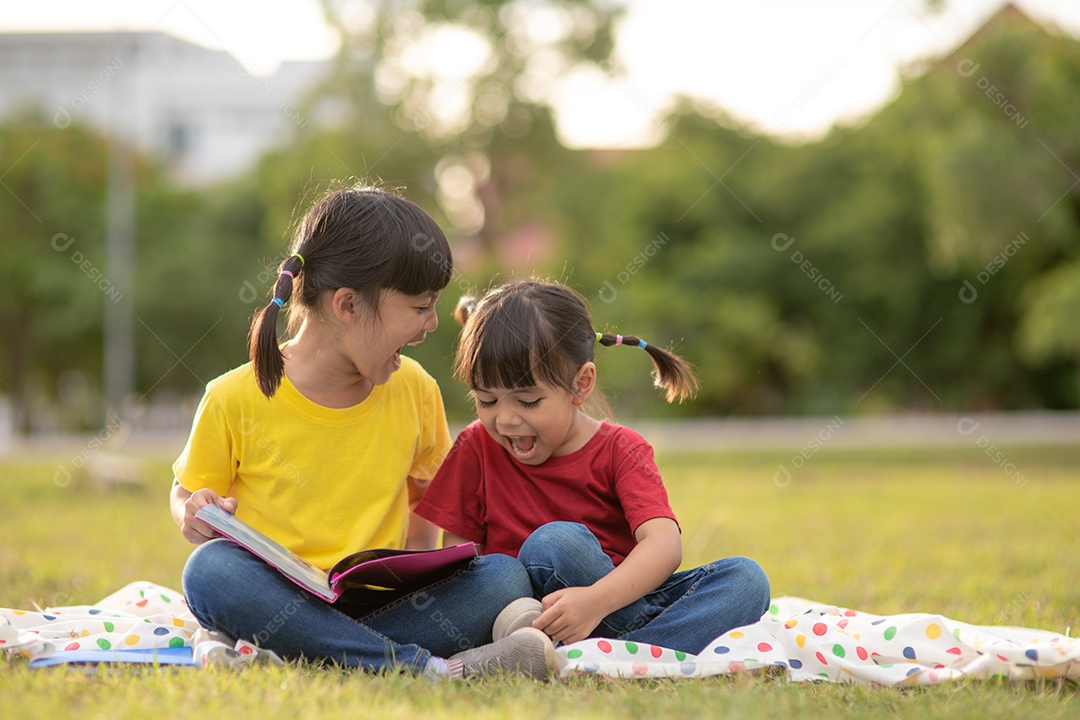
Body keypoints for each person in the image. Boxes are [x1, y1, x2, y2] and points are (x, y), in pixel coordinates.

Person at [170, 186, 558, 680]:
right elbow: (185, 493)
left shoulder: (415, 388)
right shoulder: (233, 397)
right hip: (279, 599)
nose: (433, 324)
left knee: (504, 576)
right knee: (210, 571)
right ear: (348, 305)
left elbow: (425, 508)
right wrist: (191, 510)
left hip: (384, 607)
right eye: (420, 307)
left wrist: (429, 582)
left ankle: (300, 652)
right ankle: (428, 671)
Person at [416, 279, 770, 655]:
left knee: (747, 579)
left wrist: (594, 603)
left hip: (618, 604)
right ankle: (629, 651)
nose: (504, 420)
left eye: (528, 401)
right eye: (486, 400)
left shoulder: (622, 449)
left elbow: (664, 545)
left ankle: (609, 652)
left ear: (580, 385)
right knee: (552, 546)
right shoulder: (476, 445)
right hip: (526, 612)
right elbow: (460, 558)